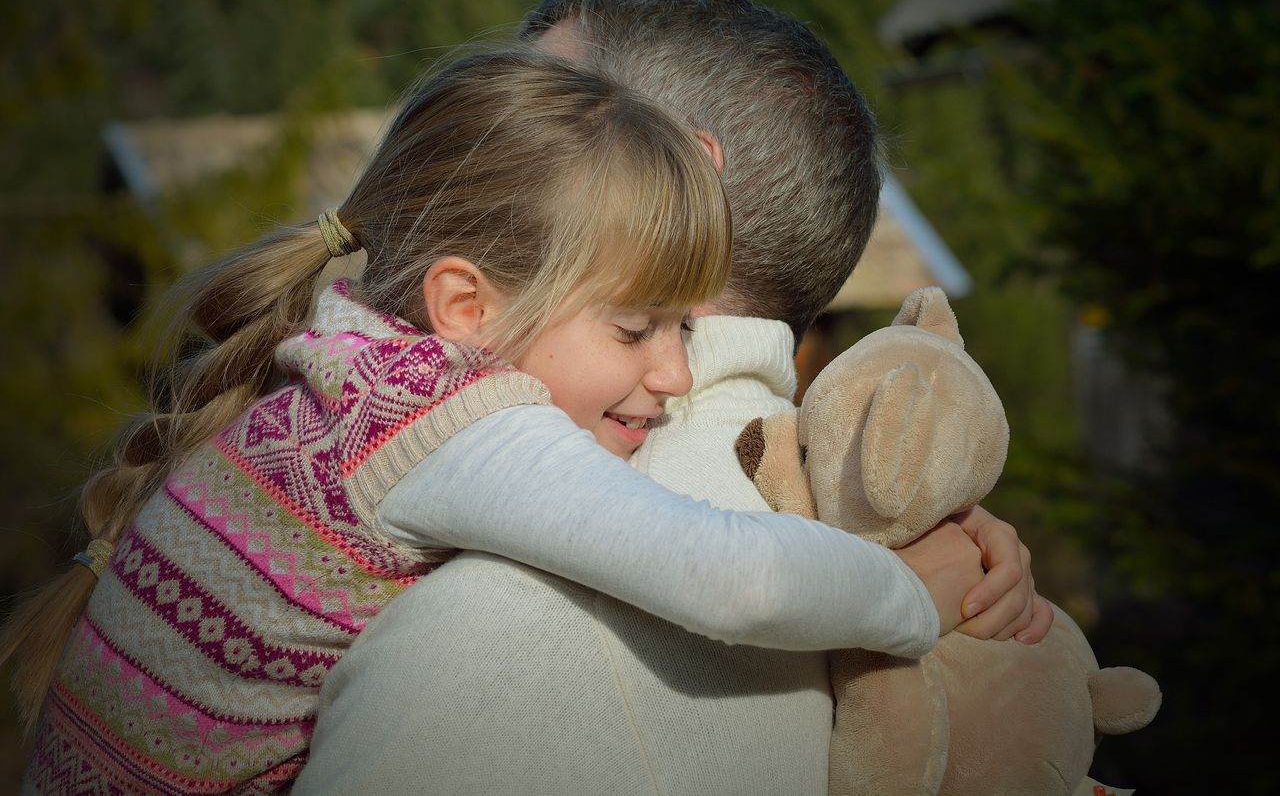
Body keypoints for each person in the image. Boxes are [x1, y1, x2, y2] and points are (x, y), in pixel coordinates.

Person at [9, 49, 982, 794]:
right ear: (466, 309)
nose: (676, 372)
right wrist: (909, 594)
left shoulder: (348, 367)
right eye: (636, 327)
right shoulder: (446, 423)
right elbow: (733, 576)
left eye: (683, 327)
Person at [295, 0, 1050, 796]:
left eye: (541, 106)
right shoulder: (888, 540)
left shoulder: (489, 633)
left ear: (684, 172)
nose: (473, 152)